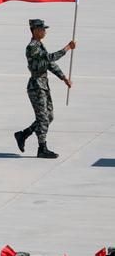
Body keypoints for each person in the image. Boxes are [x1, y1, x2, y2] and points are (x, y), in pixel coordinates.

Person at [13, 19, 75, 158]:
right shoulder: (32, 47)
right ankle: (42, 148)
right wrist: (67, 48)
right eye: (42, 29)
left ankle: (24, 134)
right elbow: (49, 58)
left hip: (43, 86)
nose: (44, 31)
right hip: (36, 86)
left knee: (49, 117)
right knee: (43, 118)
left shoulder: (40, 45)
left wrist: (64, 78)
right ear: (35, 30)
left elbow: (50, 65)